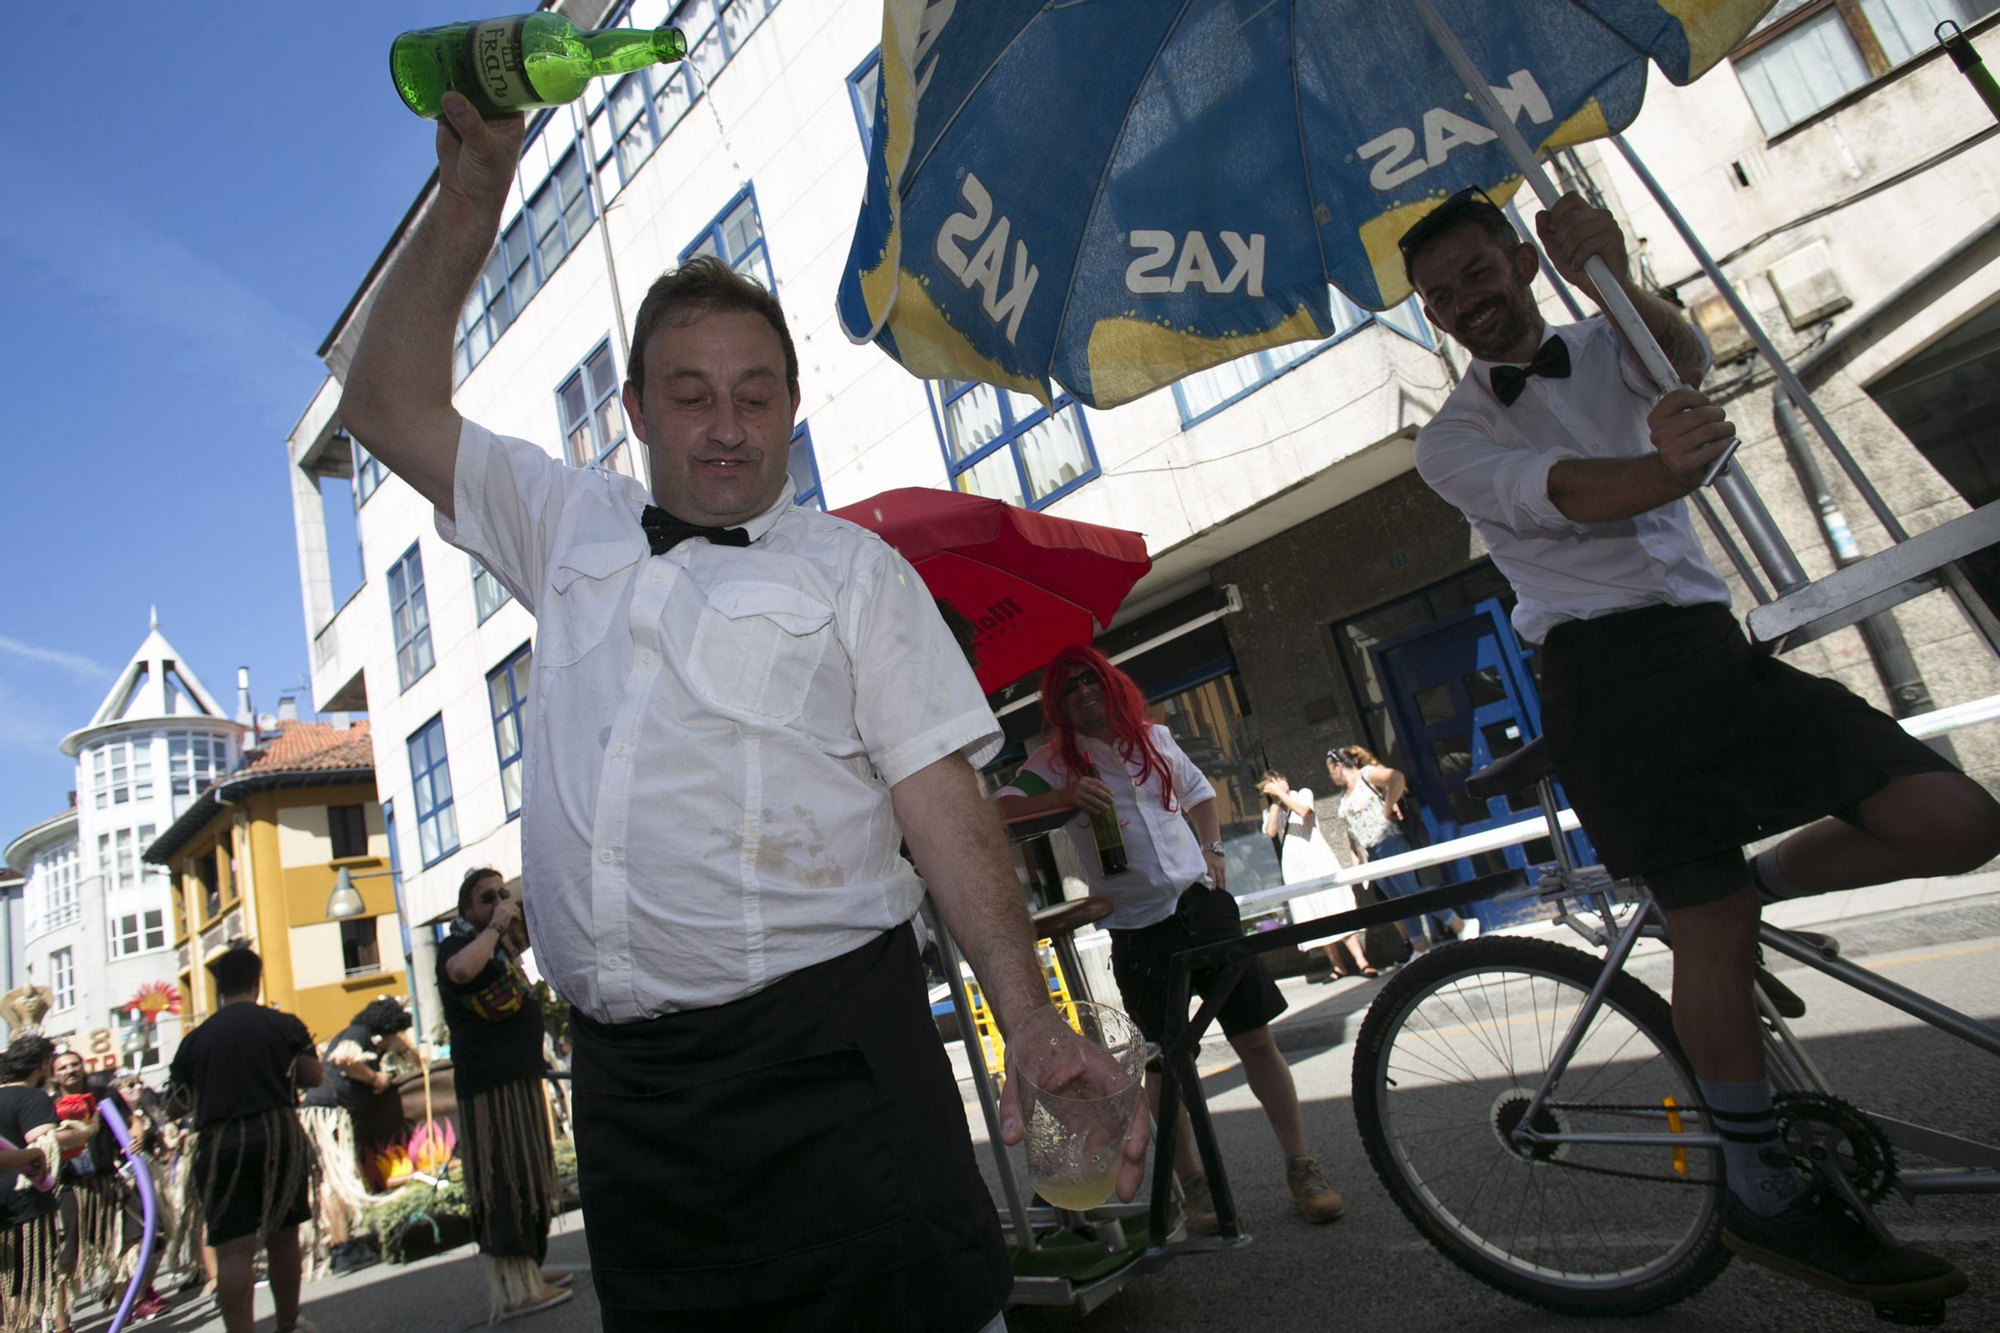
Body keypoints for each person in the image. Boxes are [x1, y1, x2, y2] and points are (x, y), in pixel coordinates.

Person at [335, 91, 1142, 1333]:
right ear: (636, 412)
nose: (725, 426)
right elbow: (383, 410)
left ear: (792, 407)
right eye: (692, 394)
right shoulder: (563, 520)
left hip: (829, 1060)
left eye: (756, 396)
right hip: (627, 1098)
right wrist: (474, 193)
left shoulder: (854, 572)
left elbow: (939, 800)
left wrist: (1030, 1022)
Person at [1402, 186, 2000, 1307]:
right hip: (1606, 685)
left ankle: (1757, 883)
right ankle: (1763, 1190)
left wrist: (1612, 274)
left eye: (1476, 274)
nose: (1461, 304)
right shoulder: (1451, 435)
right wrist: (1664, 471)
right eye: (1437, 295)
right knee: (1705, 923)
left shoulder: (1597, 331)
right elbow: (1566, 492)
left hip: (1709, 649)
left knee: (1956, 820)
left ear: (1519, 261)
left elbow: (1670, 354)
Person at [995, 647, 1347, 1229]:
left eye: (1090, 679)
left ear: (1108, 683)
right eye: (1067, 688)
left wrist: (1212, 851)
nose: (1082, 691)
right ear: (1056, 705)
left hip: (1201, 911)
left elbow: (1202, 794)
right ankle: (1193, 1184)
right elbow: (1001, 811)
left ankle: (1301, 1163)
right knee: (1162, 1063)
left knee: (1255, 1039)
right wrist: (1060, 800)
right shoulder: (1056, 763)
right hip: (1138, 932)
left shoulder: (1154, 739)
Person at [167, 947, 322, 1333]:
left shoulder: (195, 1040)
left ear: (218, 987)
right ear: (257, 980)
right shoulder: (283, 1025)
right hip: (276, 1136)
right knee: (283, 1239)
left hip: (220, 1145)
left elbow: (174, 1105)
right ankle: (288, 1325)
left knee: (233, 1250)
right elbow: (313, 1076)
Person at [438, 868, 570, 1322]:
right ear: (467, 910)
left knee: (530, 1176)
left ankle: (529, 1271)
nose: (498, 901)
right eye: (486, 896)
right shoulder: (456, 946)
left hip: (519, 1080)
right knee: (504, 1177)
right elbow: (460, 972)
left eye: (502, 894)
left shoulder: (501, 948)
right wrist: (496, 927)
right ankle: (514, 1287)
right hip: (491, 1090)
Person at [298, 994, 414, 1251]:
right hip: (328, 1115)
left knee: (332, 1179)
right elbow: (343, 1060)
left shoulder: (360, 1037)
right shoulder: (358, 1033)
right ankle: (342, 1248)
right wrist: (375, 1079)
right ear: (388, 1028)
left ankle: (341, 1242)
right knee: (332, 1180)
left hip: (326, 1113)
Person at [1322, 746, 1464, 954]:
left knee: (1411, 891)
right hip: (1371, 851)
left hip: (1389, 841)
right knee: (1399, 902)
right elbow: (1351, 830)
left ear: (1339, 766)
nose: (1330, 776)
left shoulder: (1366, 775)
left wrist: (1387, 808)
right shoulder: (1345, 795)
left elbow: (1396, 777)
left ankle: (1460, 925)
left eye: (1330, 770)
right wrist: (1356, 858)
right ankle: (1419, 948)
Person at [1, 1035, 91, 1333]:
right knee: (22, 1290)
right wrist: (83, 1131)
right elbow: (45, 1144)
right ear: (42, 1067)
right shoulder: (32, 1098)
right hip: (23, 1205)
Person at [1258, 771, 1374, 980]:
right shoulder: (1270, 810)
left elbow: (1303, 812)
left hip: (1317, 857)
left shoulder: (1303, 794)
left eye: (1278, 782)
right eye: (1272, 785)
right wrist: (1275, 803)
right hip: (1294, 865)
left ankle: (1362, 961)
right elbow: (1270, 832)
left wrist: (1283, 796)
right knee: (1313, 911)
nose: (1278, 786)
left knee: (1336, 905)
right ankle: (1337, 965)